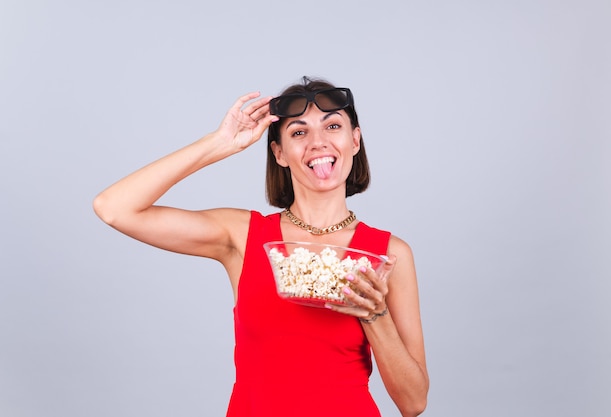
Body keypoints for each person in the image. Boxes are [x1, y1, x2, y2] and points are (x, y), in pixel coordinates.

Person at [93, 77, 429, 416]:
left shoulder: (387, 255)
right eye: (299, 132)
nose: (318, 142)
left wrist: (376, 316)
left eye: (333, 126)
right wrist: (219, 143)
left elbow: (414, 403)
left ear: (355, 141)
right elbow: (114, 208)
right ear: (279, 153)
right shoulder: (244, 236)